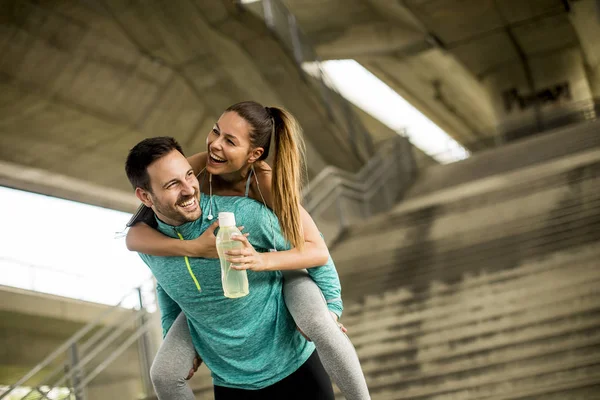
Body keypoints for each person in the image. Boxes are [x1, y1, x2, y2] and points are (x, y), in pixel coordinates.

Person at [126, 102, 370, 400]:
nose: (216, 143)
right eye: (216, 131)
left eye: (230, 141)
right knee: (162, 374)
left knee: (320, 324)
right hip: (226, 294)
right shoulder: (200, 165)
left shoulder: (263, 184)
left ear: (253, 155)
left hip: (284, 265)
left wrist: (332, 305)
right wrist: (193, 248)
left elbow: (315, 247)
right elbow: (140, 238)